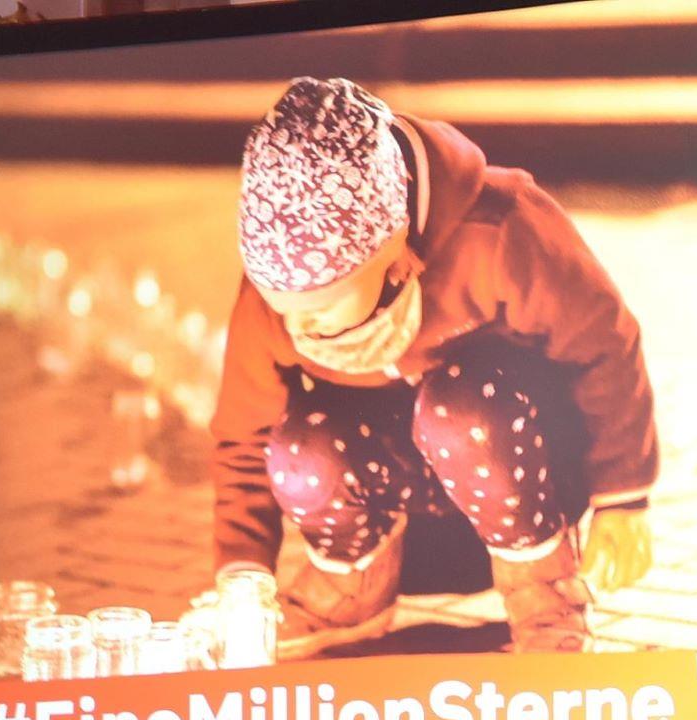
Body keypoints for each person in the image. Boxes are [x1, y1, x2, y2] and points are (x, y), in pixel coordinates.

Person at [209, 77, 657, 656]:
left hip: (527, 483)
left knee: (460, 408)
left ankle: (546, 601)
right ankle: (350, 592)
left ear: (394, 249)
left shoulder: (500, 231)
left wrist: (622, 498)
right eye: (283, 307)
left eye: (322, 305)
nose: (301, 328)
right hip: (405, 529)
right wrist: (242, 577)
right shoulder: (278, 298)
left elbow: (605, 344)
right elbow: (245, 438)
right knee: (300, 447)